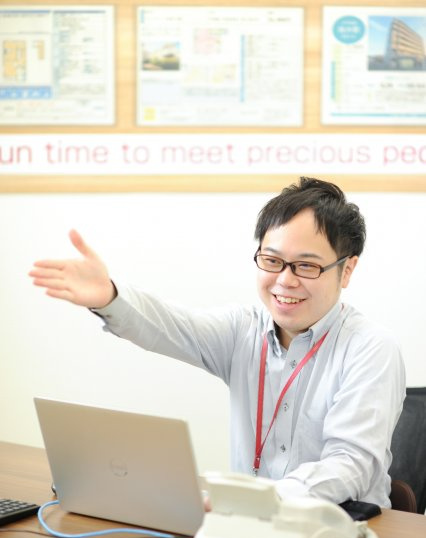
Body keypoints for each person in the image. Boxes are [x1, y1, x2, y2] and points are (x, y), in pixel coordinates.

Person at [30, 177, 405, 508]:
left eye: (306, 266)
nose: (285, 280)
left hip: (345, 533)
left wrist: (259, 501)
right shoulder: (243, 330)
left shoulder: (370, 349)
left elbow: (350, 465)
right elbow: (170, 326)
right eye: (272, 260)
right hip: (248, 526)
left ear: (346, 270)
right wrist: (109, 297)